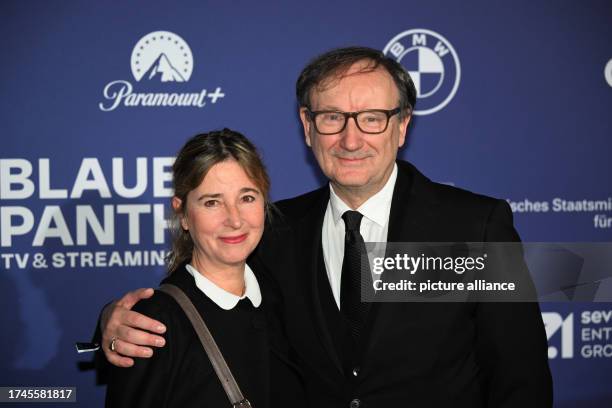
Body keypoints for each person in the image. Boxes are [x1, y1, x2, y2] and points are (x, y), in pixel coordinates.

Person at [98, 47, 553, 407]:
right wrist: (111, 324)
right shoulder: (273, 231)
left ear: (402, 126)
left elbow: (521, 378)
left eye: (372, 118)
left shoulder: (474, 225)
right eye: (332, 117)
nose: (351, 139)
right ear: (307, 126)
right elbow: (207, 306)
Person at [104, 129, 304, 407]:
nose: (234, 219)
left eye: (247, 198)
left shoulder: (282, 291)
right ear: (183, 213)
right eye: (212, 202)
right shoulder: (155, 325)